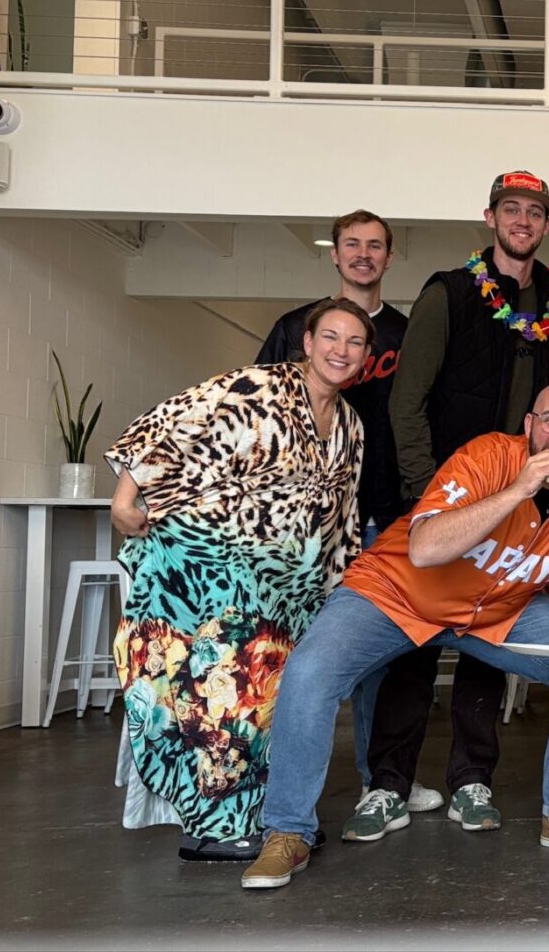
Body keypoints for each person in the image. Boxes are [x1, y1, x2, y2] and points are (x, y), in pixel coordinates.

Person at [243, 382, 549, 890]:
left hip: (491, 613)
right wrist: (519, 489)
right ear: (529, 425)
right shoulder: (488, 456)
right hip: (395, 595)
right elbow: (424, 549)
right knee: (311, 671)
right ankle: (288, 831)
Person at [108, 300, 371, 862]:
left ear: (366, 356)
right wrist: (125, 496)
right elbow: (171, 422)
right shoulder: (259, 387)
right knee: (226, 692)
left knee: (276, 700)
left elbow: (342, 516)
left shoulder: (351, 424)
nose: (341, 350)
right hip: (216, 569)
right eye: (330, 337)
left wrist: (337, 588)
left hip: (289, 589)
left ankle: (272, 818)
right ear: (307, 343)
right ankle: (215, 828)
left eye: (354, 342)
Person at [372, 171, 549, 836]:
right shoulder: (449, 293)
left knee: (489, 635)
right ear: (490, 217)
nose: (523, 221)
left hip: (513, 500)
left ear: (546, 225)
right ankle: (388, 783)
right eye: (511, 209)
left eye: (535, 212)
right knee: (414, 637)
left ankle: (471, 779)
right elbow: (407, 402)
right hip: (441, 497)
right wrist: (423, 496)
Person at [253, 209, 436, 812]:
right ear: (334, 254)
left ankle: (378, 781)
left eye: (375, 246)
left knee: (378, 655)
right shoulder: (295, 327)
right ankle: (263, 783)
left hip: (383, 516)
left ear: (389, 257)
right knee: (285, 647)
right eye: (351, 244)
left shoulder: (408, 334)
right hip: (303, 526)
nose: (363, 254)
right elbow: (255, 415)